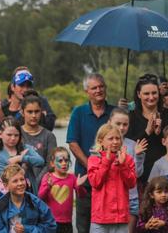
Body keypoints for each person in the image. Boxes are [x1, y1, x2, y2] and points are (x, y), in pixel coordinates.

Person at [66, 72, 115, 233]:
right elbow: (72, 143)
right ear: (87, 91)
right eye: (94, 88)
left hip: (111, 178)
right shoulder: (78, 112)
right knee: (84, 223)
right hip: (85, 178)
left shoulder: (114, 113)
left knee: (109, 223)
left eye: (101, 87)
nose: (98, 90)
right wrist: (92, 167)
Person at [127, 76, 168, 184]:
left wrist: (161, 132)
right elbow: (129, 147)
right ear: (139, 94)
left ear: (159, 93)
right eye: (146, 94)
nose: (151, 97)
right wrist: (147, 132)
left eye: (154, 93)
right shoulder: (131, 118)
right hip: (141, 176)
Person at [87, 123, 137, 233]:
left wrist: (123, 165)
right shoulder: (94, 159)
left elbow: (132, 183)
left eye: (118, 138)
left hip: (121, 218)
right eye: (110, 139)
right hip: (100, 219)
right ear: (101, 141)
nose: (115, 142)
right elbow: (95, 182)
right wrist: (106, 162)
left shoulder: (127, 159)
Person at [0, 163, 57, 232]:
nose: (20, 183)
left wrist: (27, 229)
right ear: (6, 185)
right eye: (15, 181)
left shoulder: (35, 202)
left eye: (22, 179)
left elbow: (50, 225)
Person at [109, 107, 148, 233]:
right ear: (109, 123)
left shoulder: (133, 145)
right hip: (109, 198)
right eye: (118, 123)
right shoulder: (102, 145)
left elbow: (136, 174)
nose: (121, 128)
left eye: (125, 124)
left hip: (130, 198)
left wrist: (139, 156)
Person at [38, 147, 88, 233]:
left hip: (67, 222)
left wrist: (79, 186)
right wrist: (48, 187)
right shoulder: (48, 177)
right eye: (60, 161)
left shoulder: (72, 178)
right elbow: (40, 197)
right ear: (52, 163)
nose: (64, 163)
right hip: (50, 221)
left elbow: (82, 195)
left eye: (66, 160)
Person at [0, 117, 44, 192]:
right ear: (0, 134)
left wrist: (21, 158)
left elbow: (41, 161)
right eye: (9, 135)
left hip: (31, 193)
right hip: (12, 196)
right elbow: (5, 179)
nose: (13, 138)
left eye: (16, 135)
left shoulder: (26, 148)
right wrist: (23, 167)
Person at [2, 67, 57, 131]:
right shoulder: (3, 107)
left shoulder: (41, 101)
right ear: (12, 87)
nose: (25, 89)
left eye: (28, 86)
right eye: (21, 85)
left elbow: (50, 126)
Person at [20, 95, 57, 182]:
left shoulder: (49, 136)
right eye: (29, 112)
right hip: (20, 183)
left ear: (42, 112)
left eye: (37, 111)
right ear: (22, 112)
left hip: (43, 184)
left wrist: (36, 182)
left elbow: (50, 164)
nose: (33, 115)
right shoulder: (16, 134)